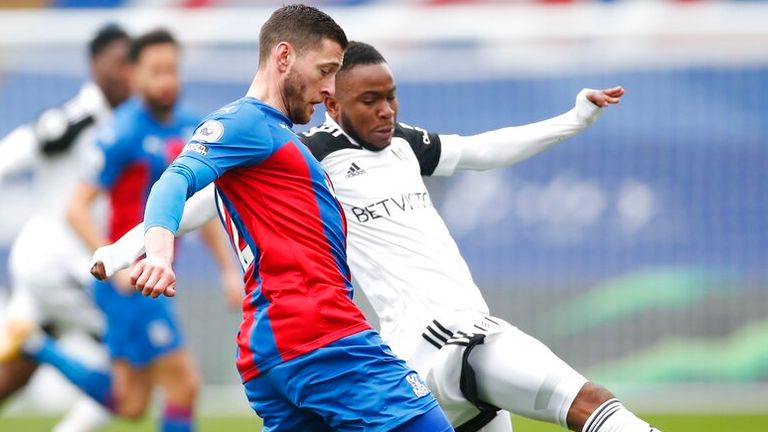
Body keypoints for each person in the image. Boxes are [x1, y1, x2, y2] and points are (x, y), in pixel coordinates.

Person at [96, 41, 661, 432]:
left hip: (420, 356)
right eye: (370, 100)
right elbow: (203, 199)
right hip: (446, 336)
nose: (386, 109)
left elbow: (482, 150)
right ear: (333, 103)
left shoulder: (402, 145)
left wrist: (574, 118)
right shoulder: (308, 154)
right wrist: (125, 249)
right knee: (588, 403)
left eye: (391, 95)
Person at [126, 5, 453, 432]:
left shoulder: (277, 139)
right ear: (284, 57)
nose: (331, 87)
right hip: (317, 333)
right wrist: (158, 252)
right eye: (326, 70)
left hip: (275, 343)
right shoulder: (245, 121)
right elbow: (175, 178)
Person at [20, 28, 241, 432]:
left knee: (131, 401)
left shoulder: (194, 126)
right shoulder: (122, 131)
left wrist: (227, 270)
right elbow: (76, 208)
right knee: (184, 385)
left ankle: (35, 346)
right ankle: (34, 346)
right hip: (133, 281)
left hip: (153, 276)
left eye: (172, 70)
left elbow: (198, 205)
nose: (166, 80)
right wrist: (114, 262)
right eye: (155, 71)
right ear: (134, 77)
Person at [0, 24, 132, 432]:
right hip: (55, 262)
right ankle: (37, 345)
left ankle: (32, 344)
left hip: (58, 265)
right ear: (96, 66)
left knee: (13, 376)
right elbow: (13, 153)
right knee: (132, 363)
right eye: (121, 62)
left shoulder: (128, 123)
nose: (129, 73)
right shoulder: (74, 120)